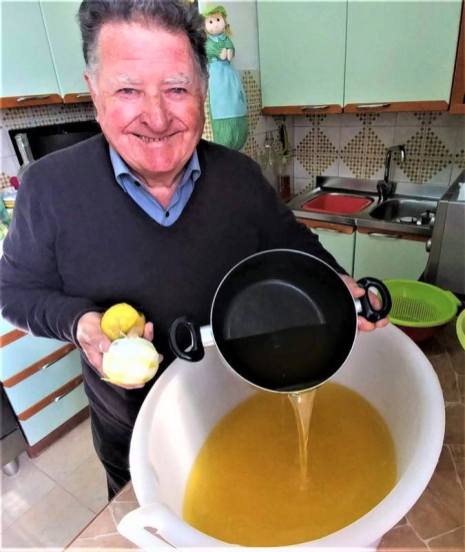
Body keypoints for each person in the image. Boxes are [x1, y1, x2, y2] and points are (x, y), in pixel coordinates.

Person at [0, 0, 387, 500]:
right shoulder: (48, 188)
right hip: (134, 438)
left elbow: (294, 244)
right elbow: (14, 291)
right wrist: (79, 323)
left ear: (202, 92)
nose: (157, 117)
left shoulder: (240, 177)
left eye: (177, 89)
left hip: (246, 408)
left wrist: (337, 280)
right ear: (94, 92)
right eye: (128, 90)